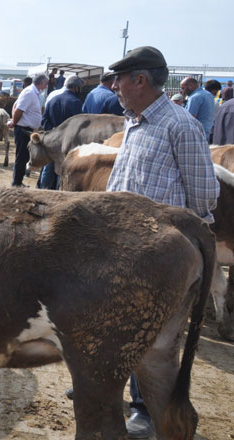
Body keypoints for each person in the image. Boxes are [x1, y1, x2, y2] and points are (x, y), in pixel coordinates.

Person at [106, 46, 218, 439]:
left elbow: (204, 196)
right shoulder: (135, 123)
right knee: (120, 325)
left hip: (158, 255)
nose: (114, 86)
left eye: (120, 79)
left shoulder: (180, 125)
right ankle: (112, 392)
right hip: (124, 247)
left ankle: (147, 411)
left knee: (151, 336)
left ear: (140, 80)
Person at [38, 76, 83, 189]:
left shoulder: (53, 99)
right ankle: (60, 190)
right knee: (64, 167)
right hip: (68, 141)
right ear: (76, 88)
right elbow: (78, 124)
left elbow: (44, 120)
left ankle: (44, 189)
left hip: (53, 138)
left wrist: (53, 132)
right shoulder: (76, 102)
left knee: (49, 165)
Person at [7, 72, 47, 187]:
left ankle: (18, 181)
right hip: (23, 129)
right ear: (41, 83)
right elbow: (19, 109)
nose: (45, 87)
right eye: (45, 84)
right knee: (22, 157)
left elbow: (16, 106)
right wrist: (14, 122)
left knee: (24, 157)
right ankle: (16, 183)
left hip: (27, 129)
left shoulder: (34, 93)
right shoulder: (29, 93)